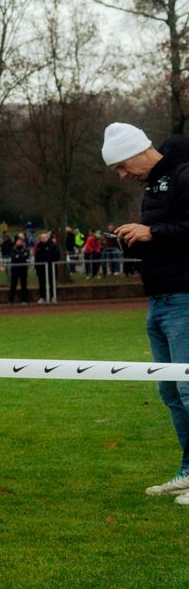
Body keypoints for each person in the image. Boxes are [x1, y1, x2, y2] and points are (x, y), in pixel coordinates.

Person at [102, 122, 189, 498]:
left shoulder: (184, 176)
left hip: (184, 298)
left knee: (187, 391)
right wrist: (133, 239)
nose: (122, 176)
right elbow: (167, 237)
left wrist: (152, 233)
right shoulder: (154, 185)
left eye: (121, 166)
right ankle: (188, 469)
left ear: (138, 151)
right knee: (170, 392)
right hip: (159, 299)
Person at [7, 233, 31, 304]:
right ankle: (11, 300)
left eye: (21, 241)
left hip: (23, 269)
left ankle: (25, 300)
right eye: (19, 240)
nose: (20, 242)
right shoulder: (13, 248)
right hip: (15, 269)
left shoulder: (25, 248)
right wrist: (20, 256)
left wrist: (19, 256)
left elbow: (26, 256)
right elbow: (13, 257)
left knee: (24, 284)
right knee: (13, 285)